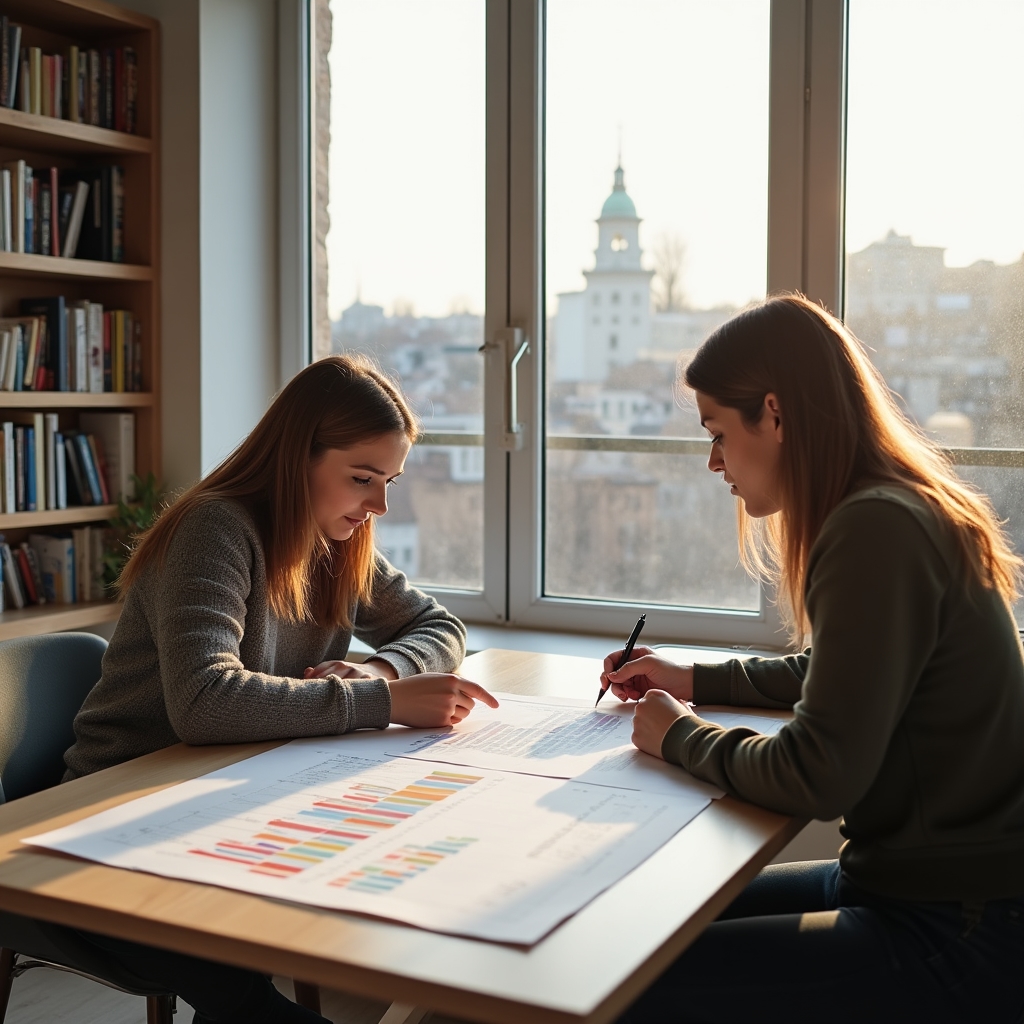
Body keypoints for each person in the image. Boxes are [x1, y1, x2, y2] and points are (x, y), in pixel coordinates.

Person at [599, 295, 1024, 1023]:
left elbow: (817, 773)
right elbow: (841, 676)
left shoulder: (874, 530)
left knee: (617, 986)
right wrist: (691, 677)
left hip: (955, 927)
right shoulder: (890, 507)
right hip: (908, 889)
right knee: (627, 937)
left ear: (775, 414)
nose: (713, 462)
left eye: (718, 433)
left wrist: (677, 734)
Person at [63, 354, 497, 1023]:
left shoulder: (340, 540)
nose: (379, 504)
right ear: (298, 459)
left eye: (388, 481)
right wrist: (380, 704)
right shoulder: (216, 528)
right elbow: (204, 701)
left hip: (241, 795)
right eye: (362, 478)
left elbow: (438, 623)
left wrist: (378, 670)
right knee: (244, 977)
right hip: (126, 811)